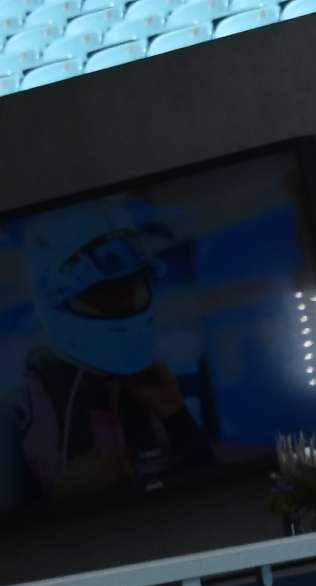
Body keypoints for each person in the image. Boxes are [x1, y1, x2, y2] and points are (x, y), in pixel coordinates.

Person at [0, 199, 214, 517]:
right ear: (55, 301)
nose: (125, 302)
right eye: (104, 294)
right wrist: (60, 500)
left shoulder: (156, 392)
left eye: (131, 287)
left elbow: (212, 488)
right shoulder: (17, 415)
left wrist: (176, 416)